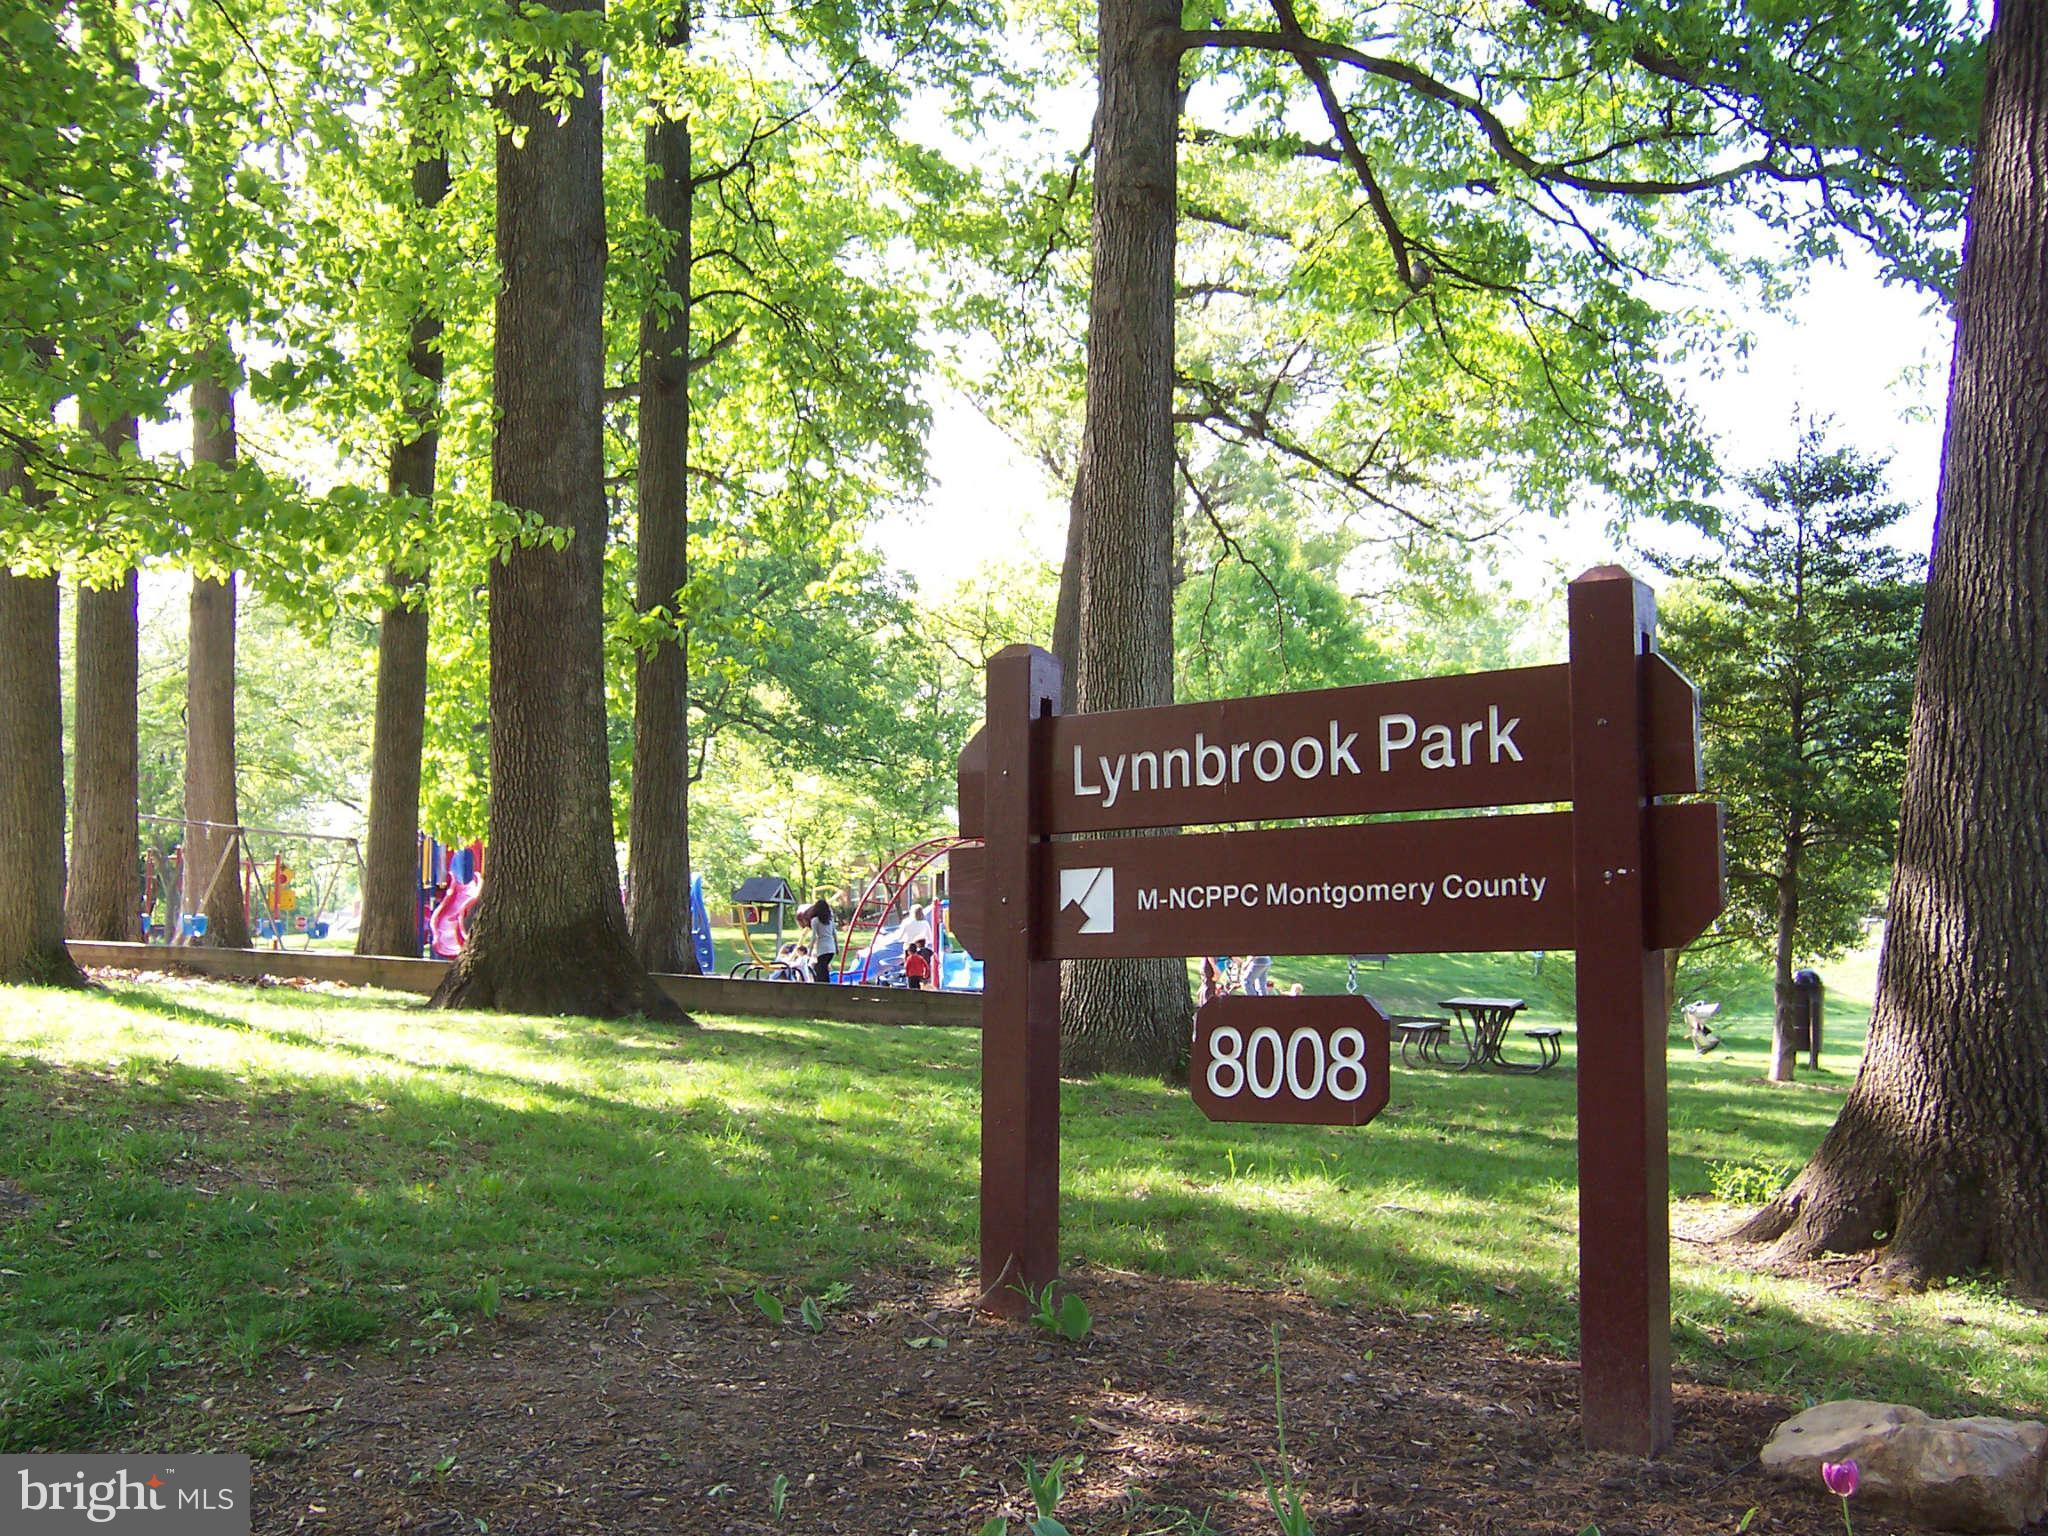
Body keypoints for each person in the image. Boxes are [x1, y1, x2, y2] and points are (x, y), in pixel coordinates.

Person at [800, 896, 838, 985]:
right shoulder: (830, 920)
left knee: (820, 969)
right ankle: (825, 985)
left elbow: (814, 937)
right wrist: (836, 947)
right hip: (831, 948)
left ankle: (821, 986)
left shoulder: (815, 920)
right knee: (823, 968)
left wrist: (809, 952)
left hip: (822, 948)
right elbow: (834, 934)